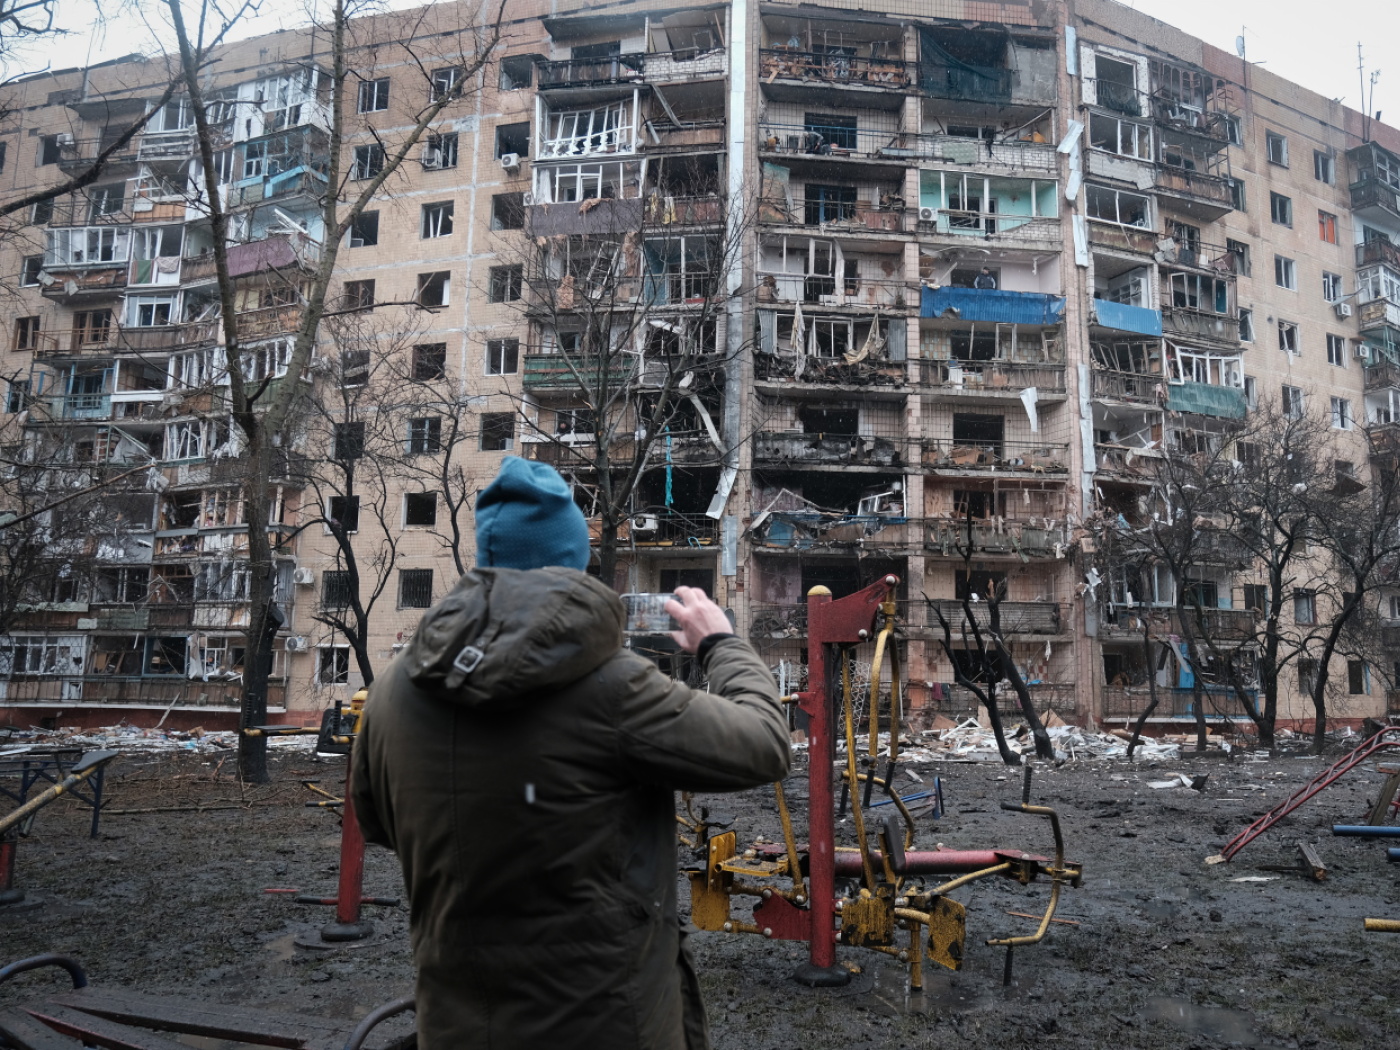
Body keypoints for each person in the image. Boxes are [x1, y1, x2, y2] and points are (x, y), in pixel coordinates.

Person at [351, 457, 790, 1050]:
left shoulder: (393, 691)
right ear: (575, 562)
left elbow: (378, 822)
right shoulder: (612, 687)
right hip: (607, 1024)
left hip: (457, 1023)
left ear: (486, 561)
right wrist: (720, 642)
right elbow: (764, 742)